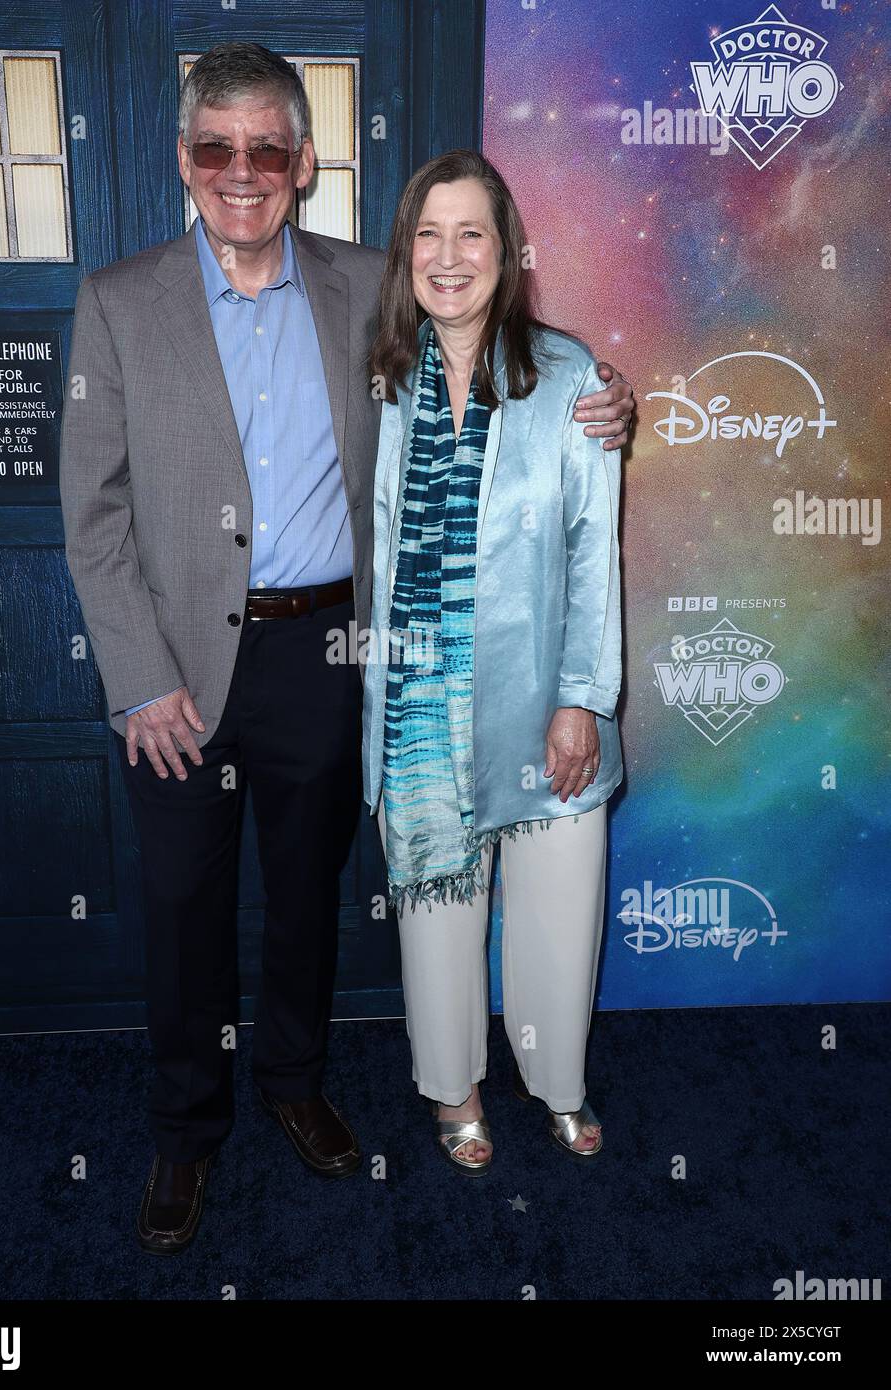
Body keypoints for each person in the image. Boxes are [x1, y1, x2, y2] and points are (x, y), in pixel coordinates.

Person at [60, 45, 634, 1253]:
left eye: (267, 148)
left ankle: (294, 1084)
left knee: (305, 903)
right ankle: (184, 1130)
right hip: (177, 672)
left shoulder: (364, 289)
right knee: (180, 909)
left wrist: (607, 401)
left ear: (304, 162)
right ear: (183, 161)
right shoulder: (118, 302)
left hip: (328, 652)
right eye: (216, 148)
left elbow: (510, 363)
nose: (242, 172)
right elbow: (92, 513)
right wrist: (138, 676)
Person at [362, 149, 625, 1175]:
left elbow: (592, 552)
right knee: (436, 917)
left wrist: (579, 700)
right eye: (427, 234)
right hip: (418, 703)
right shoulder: (380, 378)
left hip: (539, 700)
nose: (447, 254)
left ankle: (556, 1082)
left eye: (469, 231)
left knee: (557, 909)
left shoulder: (569, 378)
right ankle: (455, 1089)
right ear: (405, 255)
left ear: (507, 250)